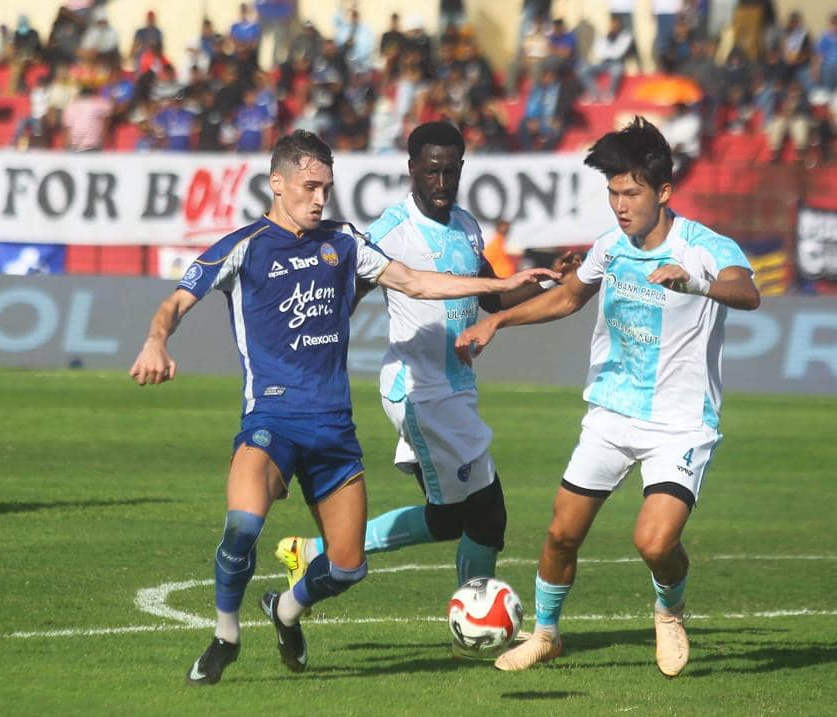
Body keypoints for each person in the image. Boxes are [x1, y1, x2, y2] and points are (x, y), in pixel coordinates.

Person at [129, 129, 557, 686]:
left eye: (326, 188)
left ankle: (287, 609)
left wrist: (503, 282)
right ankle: (224, 637)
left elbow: (417, 283)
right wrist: (156, 340)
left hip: (333, 429)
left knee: (349, 565)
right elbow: (176, 301)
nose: (319, 198)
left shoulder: (344, 242)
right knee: (242, 525)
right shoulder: (245, 245)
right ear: (276, 184)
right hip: (272, 422)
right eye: (309, 187)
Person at [454, 117, 761, 676]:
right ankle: (546, 634)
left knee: (653, 541)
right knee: (561, 533)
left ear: (663, 192)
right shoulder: (610, 247)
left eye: (632, 193)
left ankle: (669, 611)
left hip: (680, 425)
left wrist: (697, 283)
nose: (620, 205)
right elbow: (569, 298)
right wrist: (499, 325)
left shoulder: (704, 247)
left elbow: (748, 291)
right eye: (613, 193)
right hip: (611, 414)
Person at [273, 122, 568, 604]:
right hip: (420, 392)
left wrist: (549, 279)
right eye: (431, 172)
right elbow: (344, 291)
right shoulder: (392, 230)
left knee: (449, 518)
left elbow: (492, 298)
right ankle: (474, 615)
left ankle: (314, 551)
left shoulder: (468, 226)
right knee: (489, 514)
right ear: (412, 170)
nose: (441, 183)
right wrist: (311, 355)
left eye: (450, 172)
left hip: (454, 390)